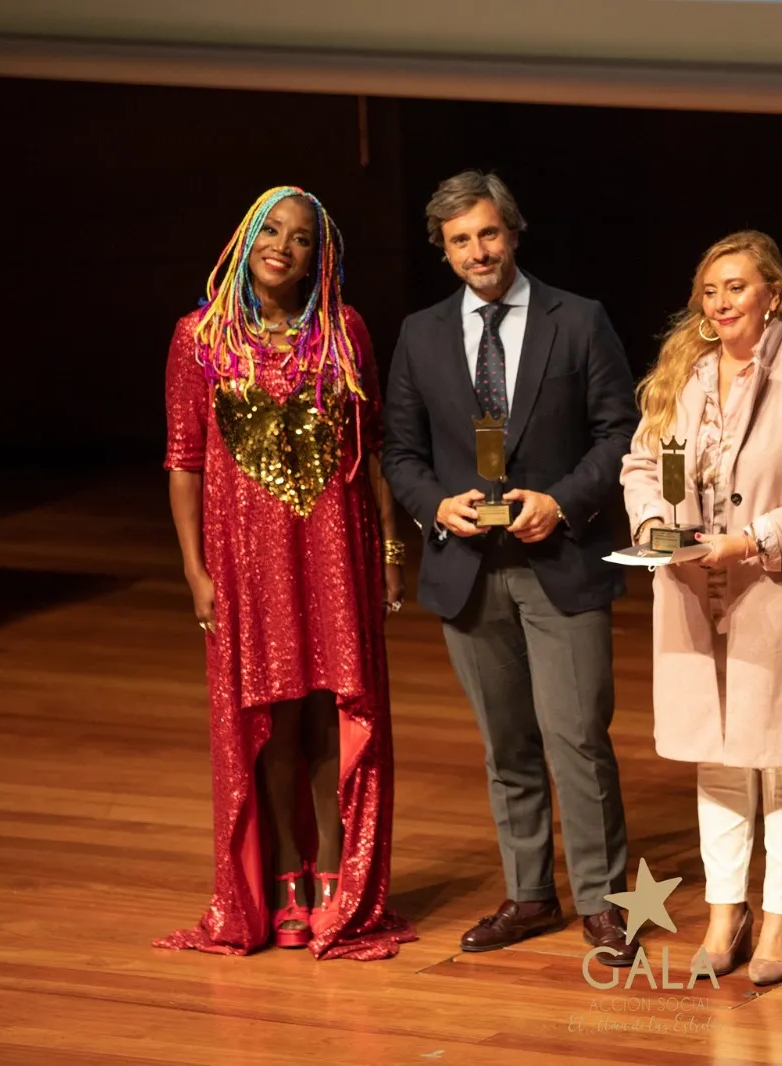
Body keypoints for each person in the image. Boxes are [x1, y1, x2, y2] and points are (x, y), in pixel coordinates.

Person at [382, 171, 638, 963]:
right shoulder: (421, 334)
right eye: (460, 240)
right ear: (444, 250)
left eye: (488, 234)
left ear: (514, 233)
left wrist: (560, 503)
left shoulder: (579, 320)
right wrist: (434, 506)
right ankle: (530, 894)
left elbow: (617, 431)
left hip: (560, 558)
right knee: (508, 746)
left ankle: (604, 900)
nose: (477, 252)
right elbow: (400, 451)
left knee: (578, 738)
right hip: (468, 568)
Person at [156, 186, 415, 960]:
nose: (284, 245)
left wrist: (392, 552)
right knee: (269, 716)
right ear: (245, 239)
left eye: (302, 238)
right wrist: (196, 572)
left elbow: (368, 452)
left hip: (335, 548)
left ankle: (339, 875)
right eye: (271, 230)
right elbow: (183, 463)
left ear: (319, 257)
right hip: (247, 560)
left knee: (332, 710)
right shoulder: (199, 337)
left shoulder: (345, 332)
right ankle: (282, 881)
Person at [621, 231, 782, 986]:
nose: (721, 302)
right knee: (719, 754)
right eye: (711, 290)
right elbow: (640, 465)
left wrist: (750, 540)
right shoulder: (683, 379)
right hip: (696, 590)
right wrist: (651, 526)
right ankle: (727, 909)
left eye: (737, 287)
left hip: (780, 589)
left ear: (773, 296)